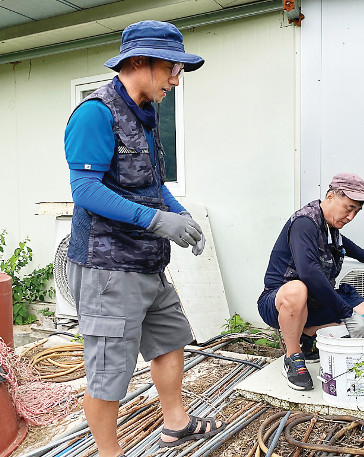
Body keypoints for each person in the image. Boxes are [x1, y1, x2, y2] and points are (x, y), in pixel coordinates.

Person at [64, 20, 224, 457]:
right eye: (171, 69)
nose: (176, 79)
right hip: (107, 268)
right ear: (139, 62)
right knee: (109, 373)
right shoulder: (95, 113)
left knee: (171, 339)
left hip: (147, 263)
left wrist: (178, 212)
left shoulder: (147, 114)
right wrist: (156, 221)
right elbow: (86, 191)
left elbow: (151, 183)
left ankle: (176, 423)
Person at [257, 172, 364, 390]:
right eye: (349, 208)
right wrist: (346, 314)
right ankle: (294, 356)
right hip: (278, 302)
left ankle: (308, 333)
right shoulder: (304, 223)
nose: (351, 217)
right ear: (331, 197)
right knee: (297, 289)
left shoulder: (330, 226)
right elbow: (309, 272)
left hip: (314, 302)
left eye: (356, 212)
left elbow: (344, 244)